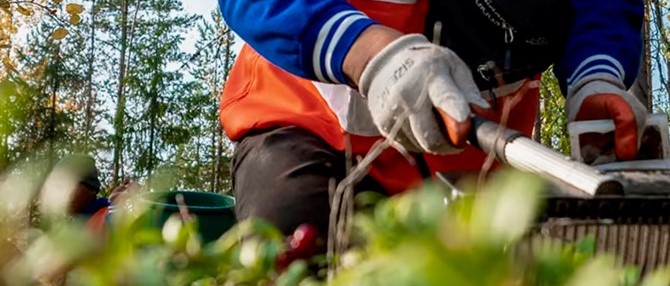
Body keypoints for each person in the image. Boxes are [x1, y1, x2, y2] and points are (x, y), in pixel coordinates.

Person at [217, 0, 647, 241]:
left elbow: (601, 6)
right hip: (308, 124)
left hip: (466, 164)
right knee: (297, 282)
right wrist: (364, 51)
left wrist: (597, 75)